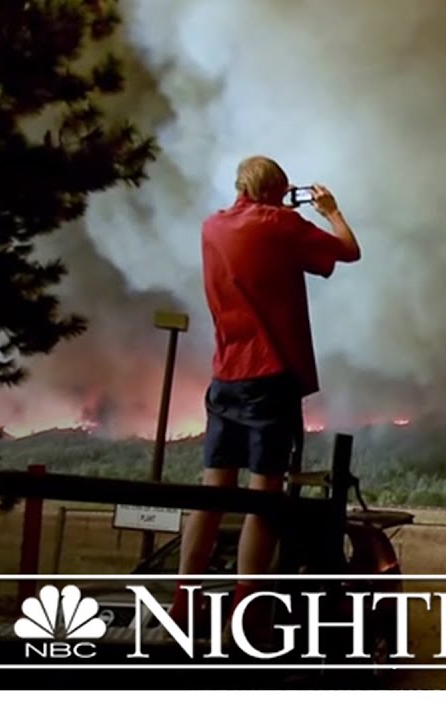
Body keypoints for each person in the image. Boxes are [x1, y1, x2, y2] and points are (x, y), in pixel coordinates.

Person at [168, 155, 360, 635]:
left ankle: (183, 600)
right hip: (270, 377)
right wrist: (331, 211)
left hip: (224, 376)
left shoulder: (212, 226)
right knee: (264, 499)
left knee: (212, 495)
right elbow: (348, 251)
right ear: (278, 191)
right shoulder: (283, 224)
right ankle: (246, 608)